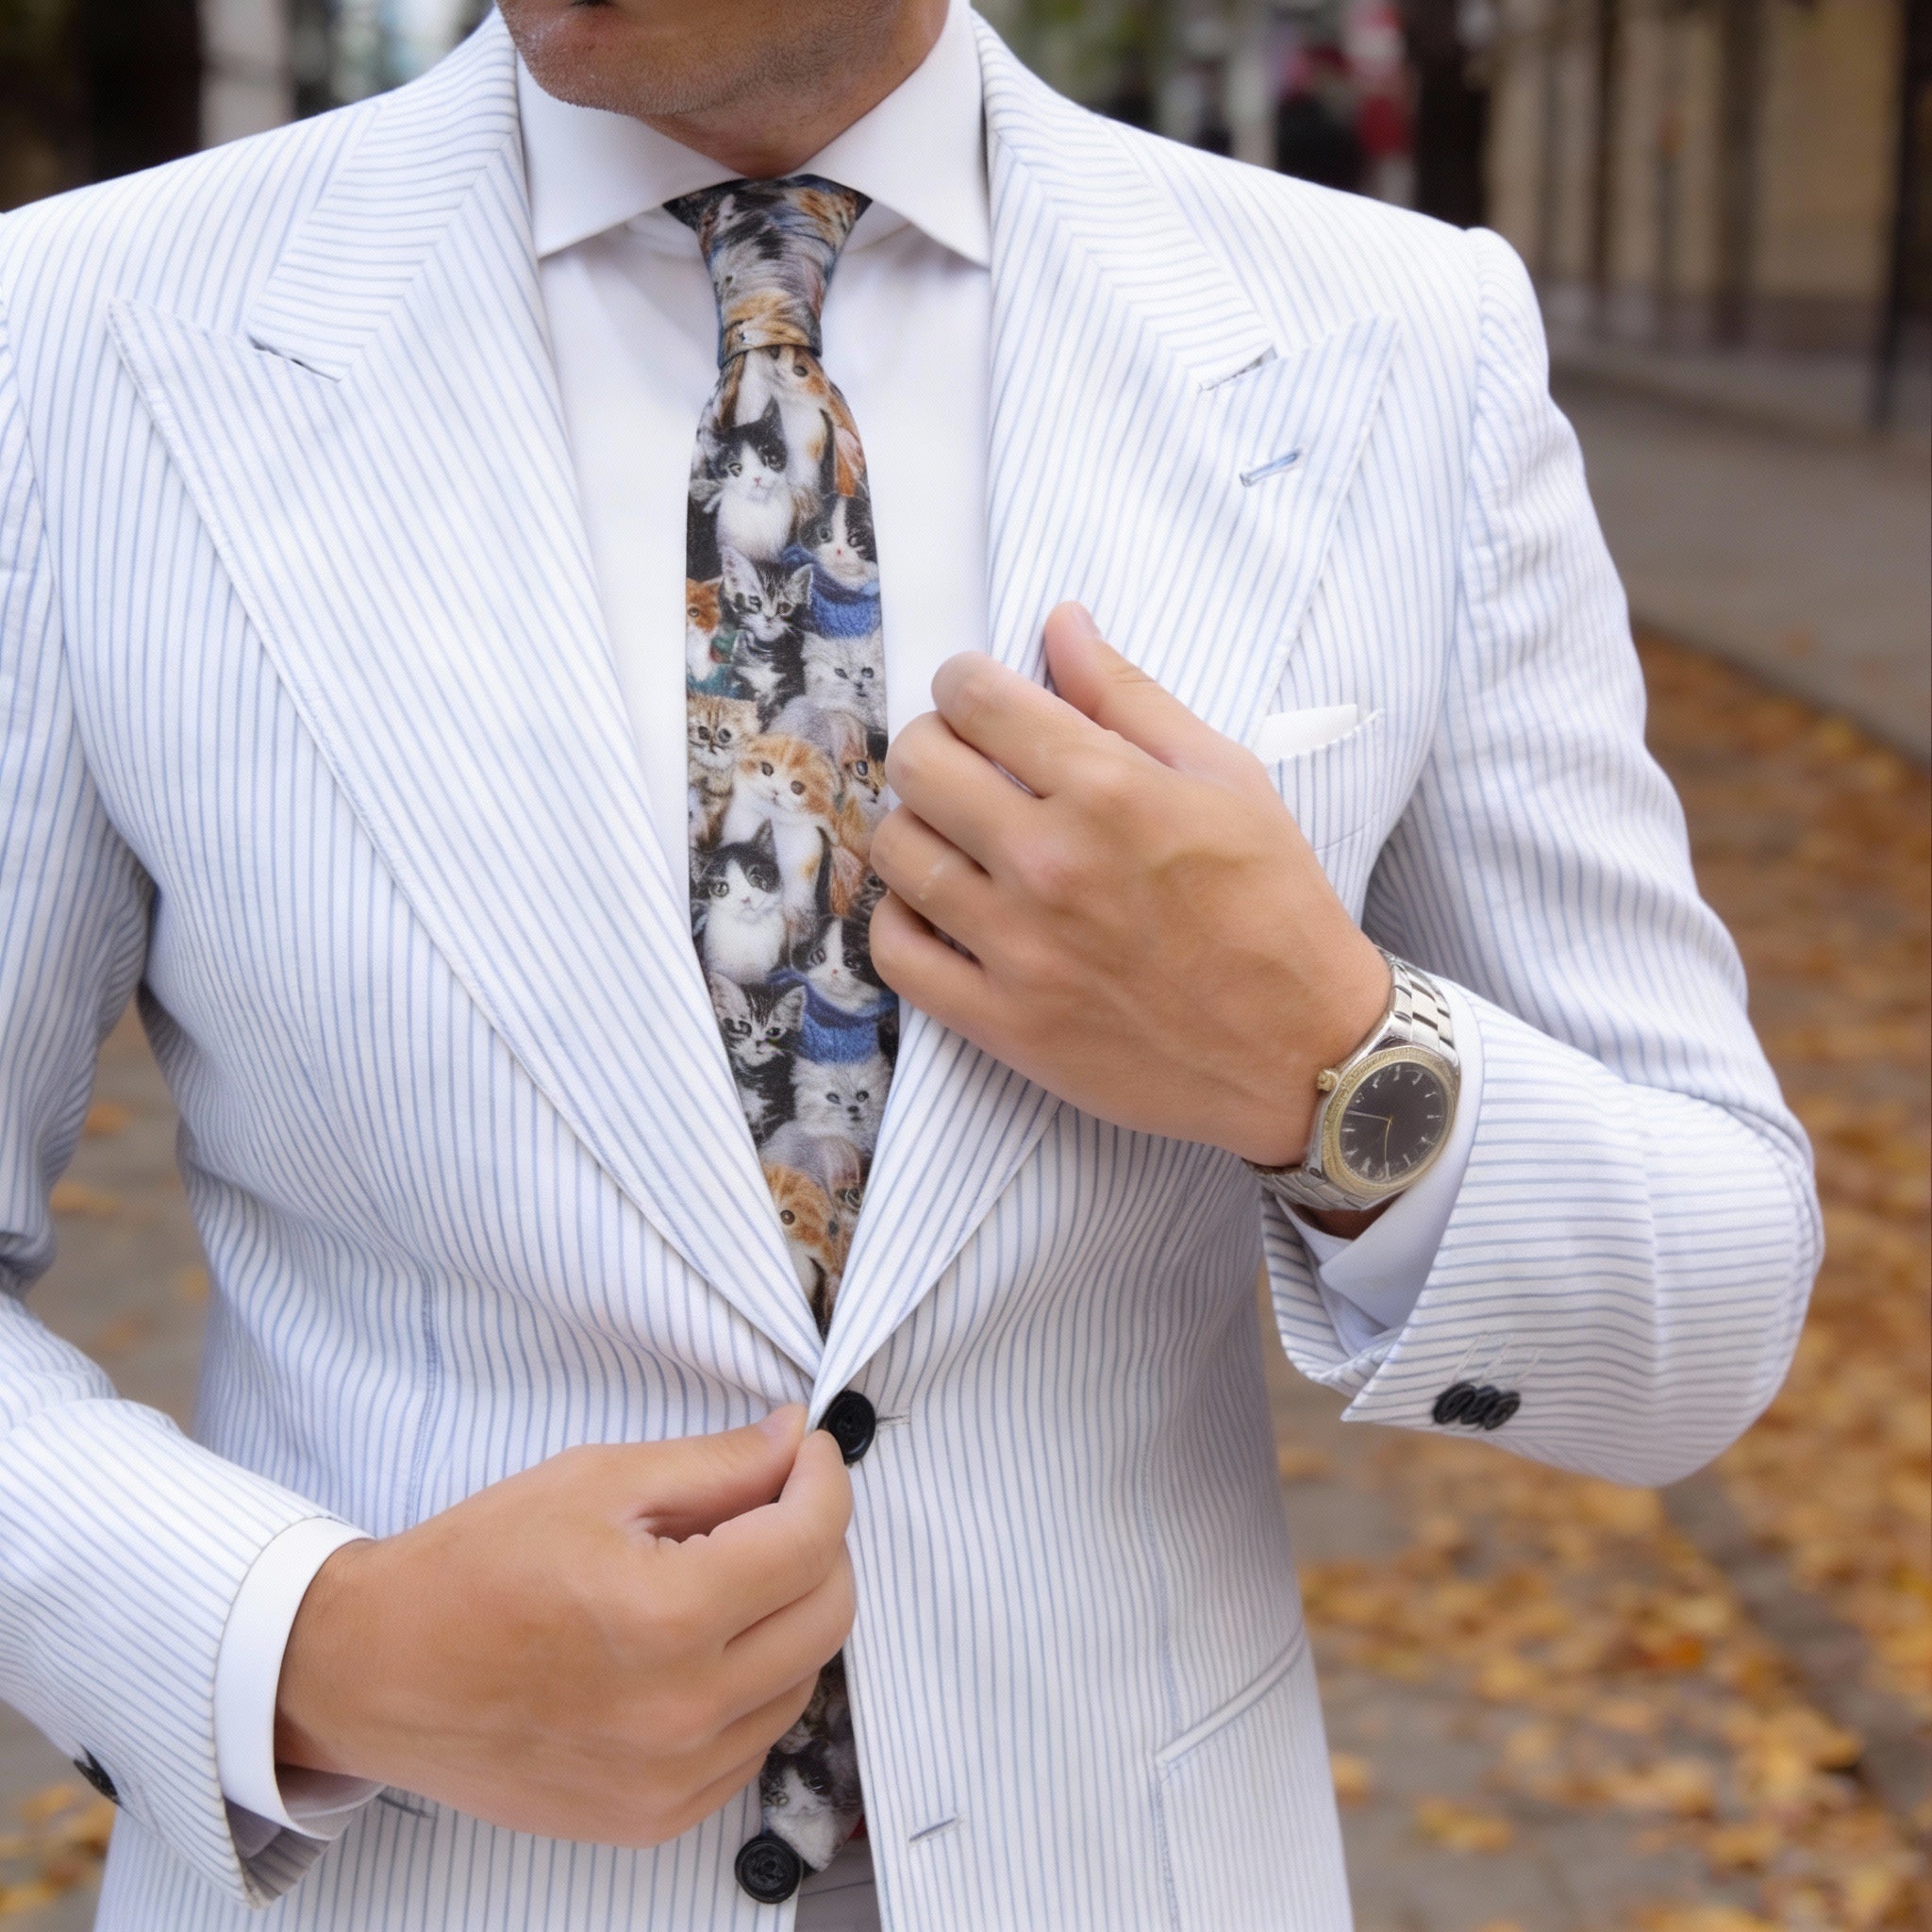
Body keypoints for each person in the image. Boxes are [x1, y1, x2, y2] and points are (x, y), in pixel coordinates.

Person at [0, 1, 1819, 1927]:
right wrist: (306, 1645)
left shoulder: (1392, 344)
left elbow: (1700, 1321)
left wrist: (1323, 1060)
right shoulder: (79, 340)